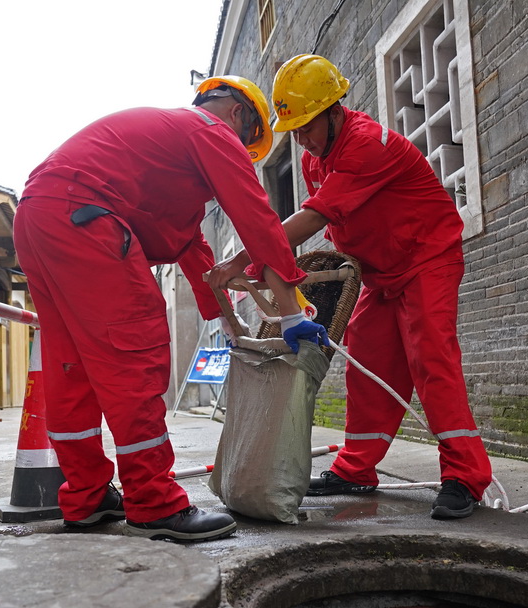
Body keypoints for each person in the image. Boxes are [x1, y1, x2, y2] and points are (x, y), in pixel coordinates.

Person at [14, 75, 327, 542]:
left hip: (39, 218)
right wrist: (292, 312)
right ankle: (153, 502)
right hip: (86, 218)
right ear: (238, 115)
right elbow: (257, 218)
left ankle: (86, 497)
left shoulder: (160, 150)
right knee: (134, 353)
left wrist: (227, 318)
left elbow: (191, 245)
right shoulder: (210, 131)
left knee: (72, 367)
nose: (243, 151)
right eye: (249, 143)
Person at [208, 55, 492, 520]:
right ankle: (357, 468)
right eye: (294, 129)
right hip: (379, 274)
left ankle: (464, 475)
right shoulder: (312, 159)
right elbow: (329, 221)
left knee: (430, 358)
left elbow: (317, 216)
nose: (300, 138)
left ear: (334, 110)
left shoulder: (368, 145)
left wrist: (248, 256)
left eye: (306, 126)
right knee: (366, 359)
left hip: (427, 257)